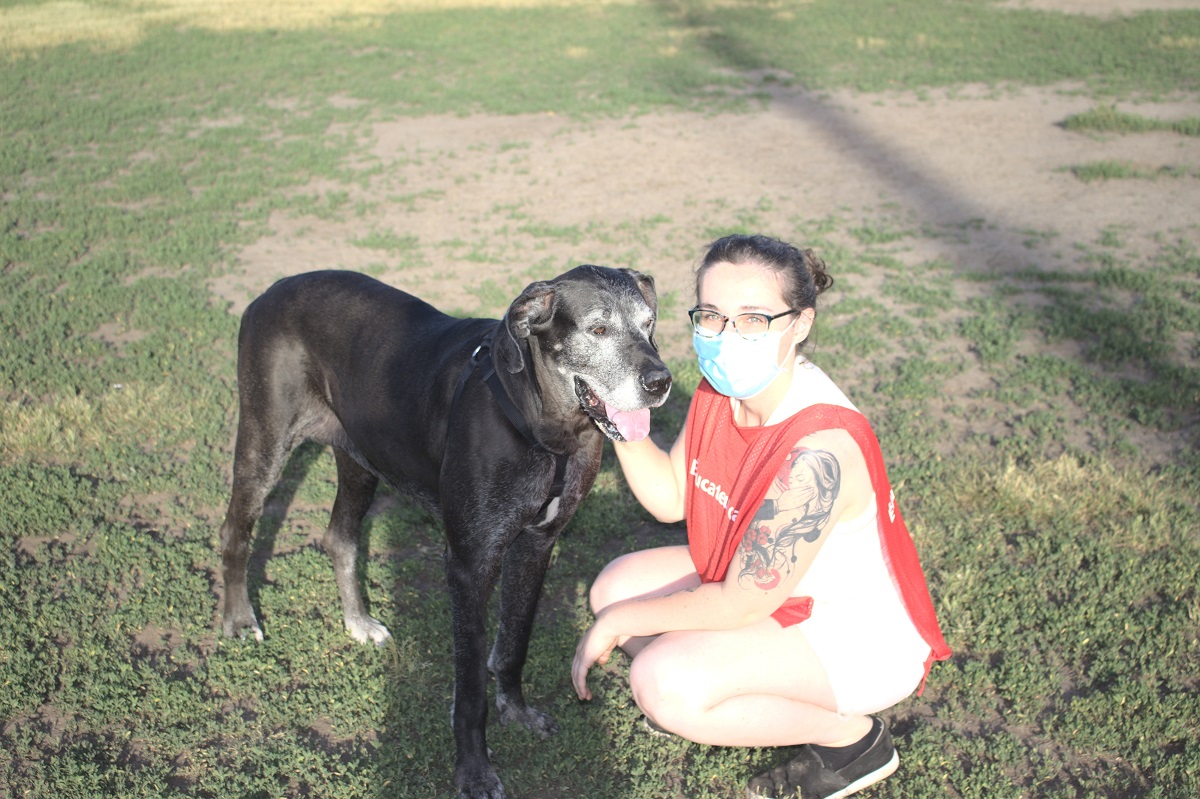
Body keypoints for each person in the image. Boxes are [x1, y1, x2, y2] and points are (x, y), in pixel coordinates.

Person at [571, 234, 951, 799]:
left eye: (752, 319)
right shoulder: (722, 390)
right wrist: (620, 415)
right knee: (614, 590)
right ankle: (723, 689)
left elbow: (743, 601)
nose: (726, 336)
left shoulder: (820, 450)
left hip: (849, 632)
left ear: (799, 324)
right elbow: (672, 497)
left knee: (661, 679)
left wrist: (621, 625)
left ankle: (850, 740)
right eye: (711, 316)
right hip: (768, 587)